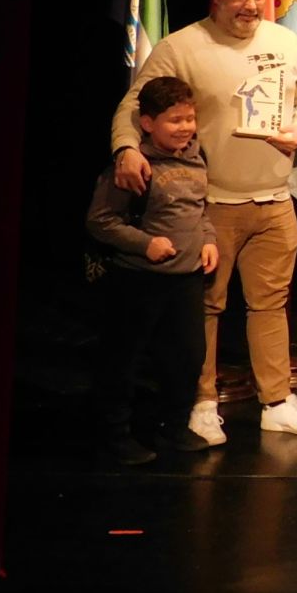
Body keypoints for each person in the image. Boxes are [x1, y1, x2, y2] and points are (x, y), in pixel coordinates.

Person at [110, 0, 297, 443]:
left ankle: (275, 401)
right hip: (207, 205)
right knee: (206, 308)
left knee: (271, 304)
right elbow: (134, 103)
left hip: (274, 200)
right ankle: (203, 402)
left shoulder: (285, 41)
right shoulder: (182, 46)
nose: (251, 5)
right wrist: (126, 148)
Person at [86, 76, 220, 465]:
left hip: (186, 279)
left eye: (190, 119)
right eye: (174, 120)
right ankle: (113, 436)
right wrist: (147, 244)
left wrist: (208, 238)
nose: (186, 128)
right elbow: (100, 221)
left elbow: (200, 208)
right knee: (124, 360)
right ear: (147, 123)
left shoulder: (196, 157)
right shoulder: (133, 166)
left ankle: (174, 426)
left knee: (187, 356)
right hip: (138, 279)